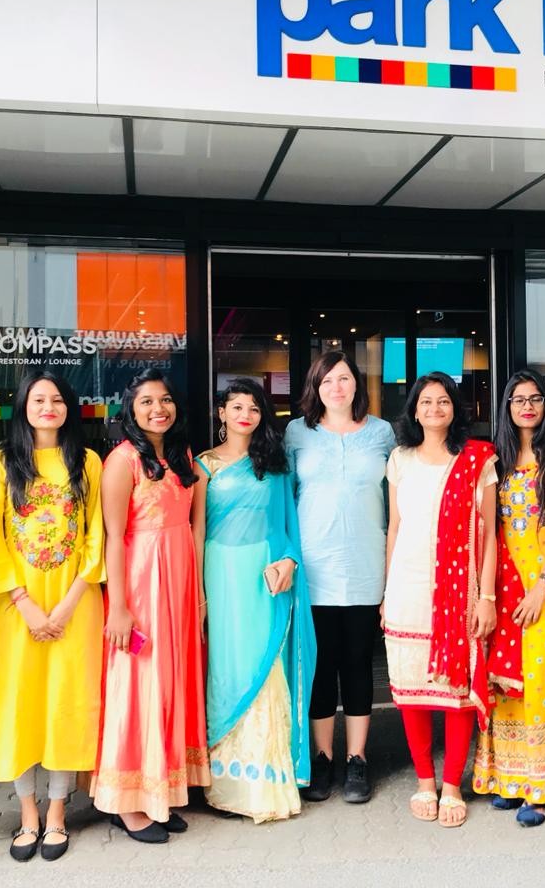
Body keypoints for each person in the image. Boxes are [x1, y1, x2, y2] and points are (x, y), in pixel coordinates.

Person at [0, 372, 105, 863]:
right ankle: (27, 813)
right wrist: (26, 604)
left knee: (66, 703)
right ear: (24, 407)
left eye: (56, 400)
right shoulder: (0, 463)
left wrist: (68, 604)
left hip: (76, 604)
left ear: (69, 408)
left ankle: (57, 813)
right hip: (17, 609)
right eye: (38, 399)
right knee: (20, 704)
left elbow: (96, 536)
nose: (48, 407)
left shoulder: (87, 462)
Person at [91, 369, 209, 843]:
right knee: (138, 684)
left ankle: (159, 791)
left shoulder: (183, 456)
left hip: (179, 581)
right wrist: (118, 607)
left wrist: (198, 594)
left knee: (171, 684)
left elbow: (195, 528)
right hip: (140, 584)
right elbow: (112, 537)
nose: (158, 409)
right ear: (131, 410)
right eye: (146, 402)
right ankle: (127, 802)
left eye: (165, 400)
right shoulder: (122, 461)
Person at [193, 378, 315, 823]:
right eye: (237, 407)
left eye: (254, 408)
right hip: (219, 573)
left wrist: (288, 561)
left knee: (267, 665)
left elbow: (287, 526)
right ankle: (225, 785)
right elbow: (197, 531)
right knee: (225, 666)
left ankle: (264, 782)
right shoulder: (203, 465)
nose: (245, 415)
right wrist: (199, 592)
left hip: (262, 575)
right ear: (221, 413)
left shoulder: (275, 466)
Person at [384, 371, 498, 829]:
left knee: (457, 692)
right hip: (408, 586)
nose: (434, 408)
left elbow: (490, 534)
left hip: (460, 589)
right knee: (411, 690)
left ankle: (452, 784)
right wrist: (386, 591)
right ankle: (424, 780)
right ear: (415, 410)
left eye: (443, 401)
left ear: (455, 409)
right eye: (426, 401)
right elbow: (395, 526)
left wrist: (486, 597)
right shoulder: (400, 458)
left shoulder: (477, 460)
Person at [284, 351, 396, 804]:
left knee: (357, 662)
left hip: (367, 563)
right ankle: (322, 758)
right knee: (319, 666)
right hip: (314, 566)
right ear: (316, 386)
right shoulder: (297, 433)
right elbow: (286, 497)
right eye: (327, 380)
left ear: (356, 384)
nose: (336, 387)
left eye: (344, 378)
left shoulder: (381, 433)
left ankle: (357, 759)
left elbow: (395, 499)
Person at [472, 369, 545, 827]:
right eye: (518, 400)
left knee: (544, 682)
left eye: (535, 399)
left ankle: (543, 786)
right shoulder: (495, 459)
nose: (527, 407)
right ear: (507, 407)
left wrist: (543, 584)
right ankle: (511, 777)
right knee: (508, 682)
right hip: (505, 583)